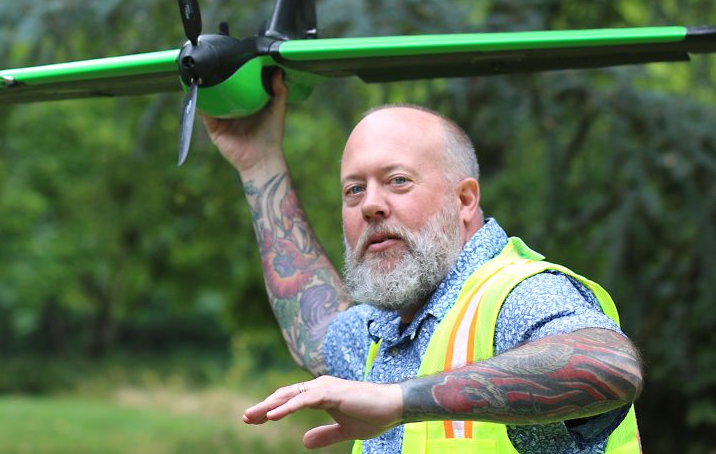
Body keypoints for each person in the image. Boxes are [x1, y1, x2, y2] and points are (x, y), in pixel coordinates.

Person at [201, 70, 643, 453]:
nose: (370, 205)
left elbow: (609, 364)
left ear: (465, 199)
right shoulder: (387, 330)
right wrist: (259, 164)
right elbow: (316, 330)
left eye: (397, 181)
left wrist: (398, 401)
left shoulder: (517, 296)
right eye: (354, 190)